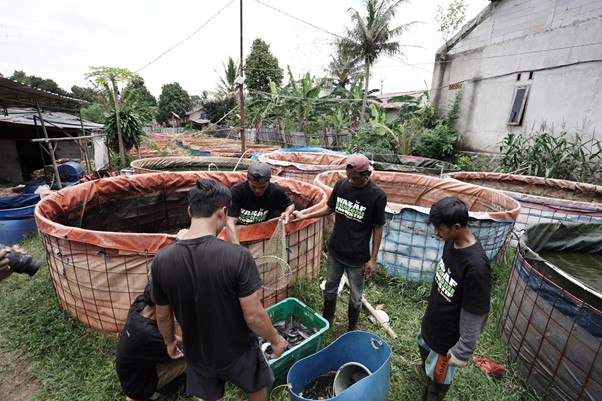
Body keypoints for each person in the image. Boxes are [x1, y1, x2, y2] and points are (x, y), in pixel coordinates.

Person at [151, 178, 287, 401]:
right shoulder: (237, 257)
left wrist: (169, 342)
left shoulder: (162, 260)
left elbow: (162, 314)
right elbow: (253, 316)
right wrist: (276, 339)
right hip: (238, 350)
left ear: (189, 211)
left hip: (198, 352)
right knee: (256, 389)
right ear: (223, 212)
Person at [292, 153, 387, 331]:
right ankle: (327, 322)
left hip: (357, 257)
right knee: (330, 289)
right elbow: (329, 208)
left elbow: (378, 227)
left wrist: (373, 259)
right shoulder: (341, 185)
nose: (350, 181)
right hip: (335, 251)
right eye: (348, 176)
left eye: (355, 178)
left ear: (367, 175)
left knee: (356, 297)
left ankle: (351, 328)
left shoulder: (377, 196)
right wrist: (305, 215)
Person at [417, 196, 492, 401]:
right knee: (423, 346)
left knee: (438, 380)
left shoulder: (476, 267)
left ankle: (432, 393)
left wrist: (463, 349)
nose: (436, 232)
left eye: (439, 228)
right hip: (433, 321)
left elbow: (476, 312)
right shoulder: (451, 243)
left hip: (448, 337)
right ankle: (427, 372)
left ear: (456, 227)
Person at [116, 282, 186, 401]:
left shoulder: (139, 304)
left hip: (130, 375)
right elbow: (176, 350)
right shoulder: (150, 335)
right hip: (138, 388)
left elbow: (169, 338)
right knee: (192, 356)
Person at [225, 161, 295, 244]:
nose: (258, 190)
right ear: (248, 180)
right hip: (239, 233)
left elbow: (290, 205)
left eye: (262, 187)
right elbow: (230, 222)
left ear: (269, 181)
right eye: (253, 186)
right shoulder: (237, 191)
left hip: (261, 234)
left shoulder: (276, 191)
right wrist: (237, 248)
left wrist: (287, 212)